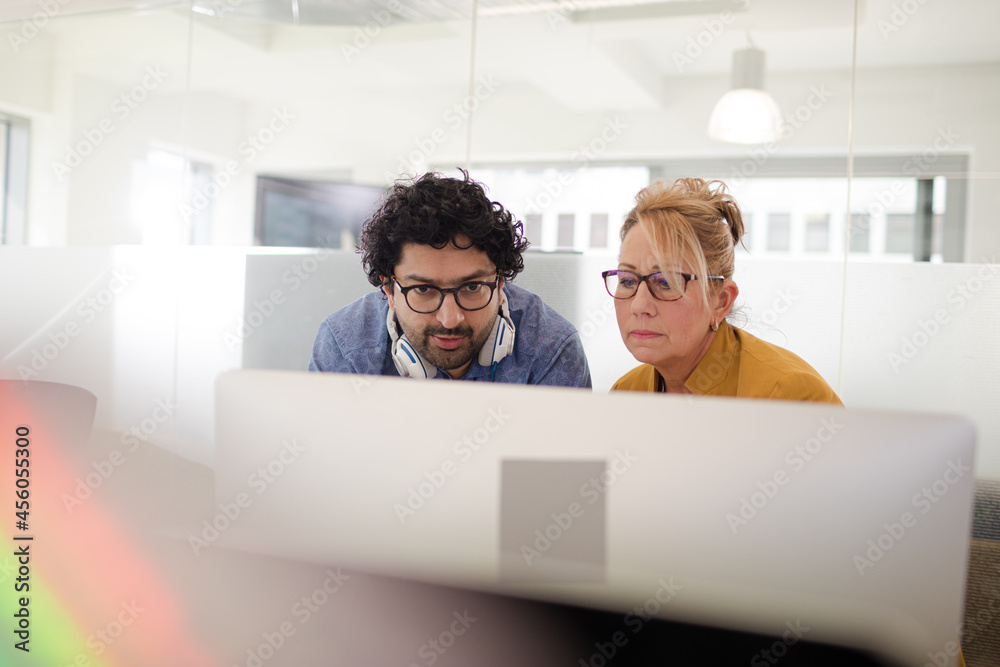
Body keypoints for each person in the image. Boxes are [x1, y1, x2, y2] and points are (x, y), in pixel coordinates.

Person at [308, 170, 591, 387]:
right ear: (390, 291)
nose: (450, 319)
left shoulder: (551, 349)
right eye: (423, 289)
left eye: (472, 287)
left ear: (500, 283)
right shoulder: (346, 346)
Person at [606, 177, 841, 404]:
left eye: (667, 282)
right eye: (628, 281)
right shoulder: (626, 393)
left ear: (721, 301)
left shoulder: (788, 395)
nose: (639, 305)